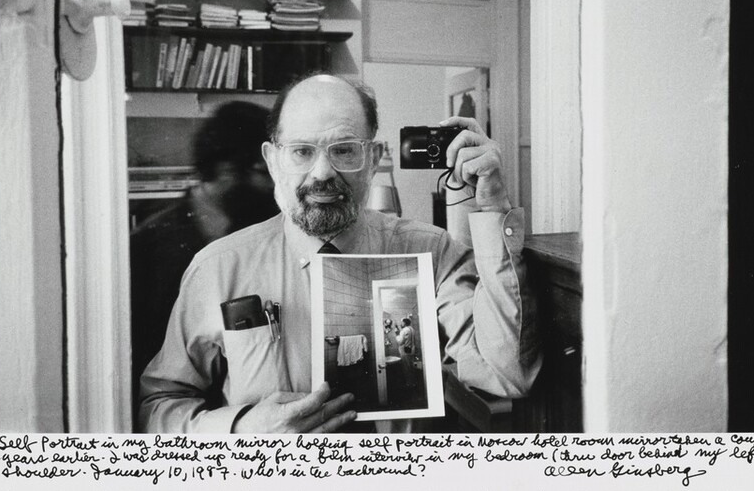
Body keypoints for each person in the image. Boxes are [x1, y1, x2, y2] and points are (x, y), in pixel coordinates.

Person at [139, 73, 541, 433]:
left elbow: (507, 376)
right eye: (302, 151)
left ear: (374, 158)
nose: (323, 173)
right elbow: (159, 406)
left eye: (344, 150)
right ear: (272, 160)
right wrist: (240, 431)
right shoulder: (218, 269)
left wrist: (492, 207)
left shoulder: (432, 253)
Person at [129, 101, 279, 410]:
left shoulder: (265, 230)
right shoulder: (147, 248)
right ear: (226, 170)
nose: (275, 187)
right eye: (265, 172)